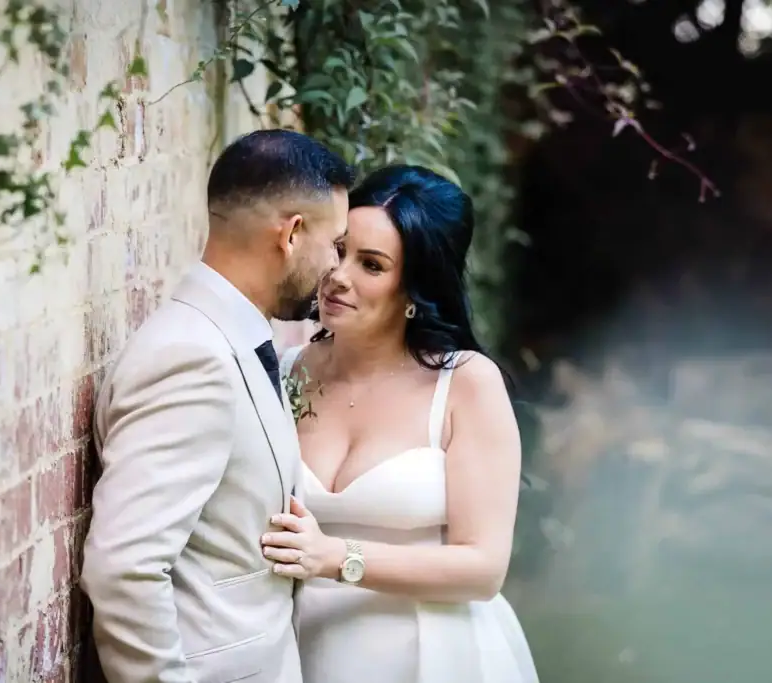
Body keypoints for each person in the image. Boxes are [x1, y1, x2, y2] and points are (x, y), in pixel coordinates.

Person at [80, 129, 355, 683]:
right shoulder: (191, 357)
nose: (336, 268)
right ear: (293, 234)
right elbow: (124, 568)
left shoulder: (234, 340)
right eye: (336, 244)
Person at [265, 165, 540, 682]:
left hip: (432, 656)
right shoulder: (283, 371)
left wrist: (332, 556)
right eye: (340, 249)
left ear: (414, 289)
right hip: (302, 653)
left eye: (371, 264)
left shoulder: (465, 385)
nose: (339, 275)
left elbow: (483, 569)